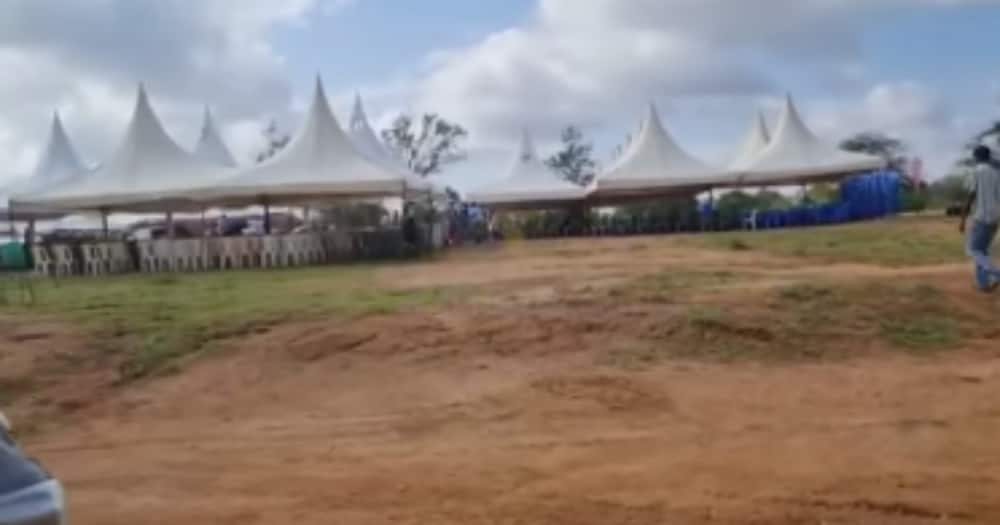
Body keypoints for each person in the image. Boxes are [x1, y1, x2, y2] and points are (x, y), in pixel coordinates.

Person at [959, 145, 1000, 292]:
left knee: (972, 250)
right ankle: (983, 284)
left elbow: (971, 196)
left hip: (981, 216)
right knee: (982, 251)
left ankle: (996, 273)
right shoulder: (997, 173)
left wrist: (963, 219)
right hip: (995, 217)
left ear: (976, 157)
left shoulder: (976, 171)